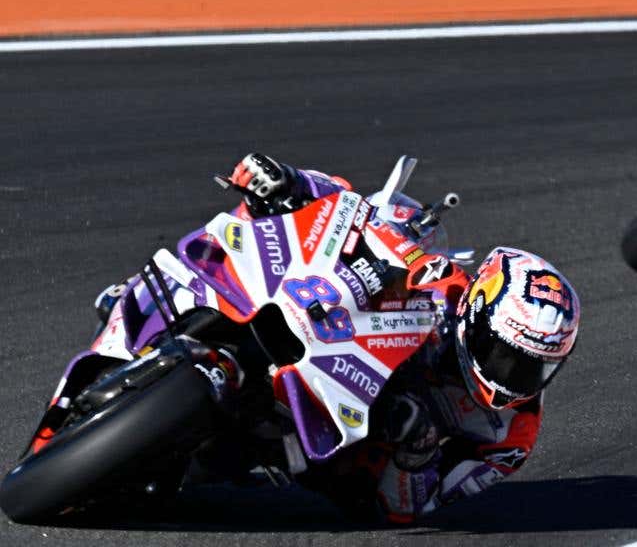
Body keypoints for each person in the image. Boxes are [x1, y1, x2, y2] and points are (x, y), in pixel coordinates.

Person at [106, 153, 581, 524]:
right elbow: (353, 208)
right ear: (478, 315)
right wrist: (290, 181)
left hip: (340, 459)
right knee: (273, 218)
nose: (514, 377)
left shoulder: (510, 436)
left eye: (536, 367)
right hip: (324, 334)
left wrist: (417, 453)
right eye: (507, 356)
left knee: (222, 472)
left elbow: (417, 509)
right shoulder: (449, 286)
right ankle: (166, 292)